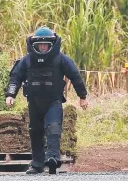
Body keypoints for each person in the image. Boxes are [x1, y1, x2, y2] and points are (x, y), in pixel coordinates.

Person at [5, 26, 88, 174]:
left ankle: (52, 160)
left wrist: (82, 97)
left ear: (51, 44)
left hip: (53, 102)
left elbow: (75, 77)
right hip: (34, 103)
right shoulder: (27, 60)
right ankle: (37, 164)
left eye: (46, 45)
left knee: (53, 128)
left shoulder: (61, 59)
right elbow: (15, 77)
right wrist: (10, 95)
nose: (43, 48)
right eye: (40, 45)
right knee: (35, 132)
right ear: (35, 45)